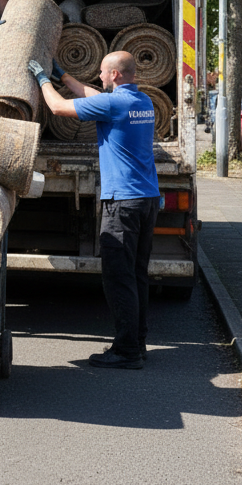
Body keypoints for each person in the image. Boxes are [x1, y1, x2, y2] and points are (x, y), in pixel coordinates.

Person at [28, 51, 159, 369]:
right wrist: (63, 76)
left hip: (123, 203)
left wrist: (42, 80)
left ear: (115, 74)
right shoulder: (142, 102)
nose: (99, 76)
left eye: (102, 72)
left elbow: (58, 108)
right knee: (137, 275)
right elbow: (96, 98)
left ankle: (126, 351)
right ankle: (136, 342)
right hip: (147, 199)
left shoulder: (115, 105)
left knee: (118, 277)